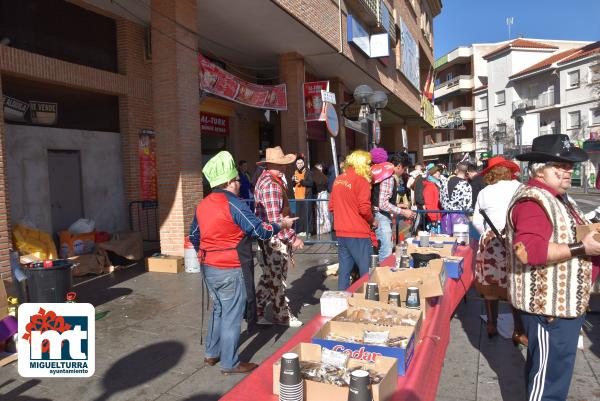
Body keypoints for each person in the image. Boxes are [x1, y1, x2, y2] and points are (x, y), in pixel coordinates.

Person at [506, 134, 600, 401]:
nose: (568, 170)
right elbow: (530, 252)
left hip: (561, 306)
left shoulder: (556, 196)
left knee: (552, 376)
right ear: (539, 168)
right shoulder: (533, 201)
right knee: (547, 387)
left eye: (570, 164)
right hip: (548, 309)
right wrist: (584, 248)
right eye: (559, 165)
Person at [189, 151, 296, 374]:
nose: (239, 183)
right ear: (228, 182)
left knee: (219, 309)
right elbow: (259, 229)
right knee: (231, 315)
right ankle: (230, 363)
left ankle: (212, 353)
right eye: (237, 180)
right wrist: (282, 224)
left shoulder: (203, 204)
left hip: (208, 266)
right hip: (229, 266)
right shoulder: (233, 204)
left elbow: (194, 236)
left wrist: (206, 252)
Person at [472, 156, 526, 345]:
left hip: (491, 241)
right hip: (515, 239)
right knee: (515, 284)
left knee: (491, 284)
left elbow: (476, 221)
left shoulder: (484, 192)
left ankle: (492, 324)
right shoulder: (520, 188)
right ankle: (519, 330)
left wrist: (486, 233)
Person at [254, 146, 305, 327]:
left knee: (269, 276)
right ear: (269, 164)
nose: (283, 168)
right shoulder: (271, 185)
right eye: (279, 165)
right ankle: (282, 315)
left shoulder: (266, 179)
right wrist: (293, 238)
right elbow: (275, 220)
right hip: (273, 238)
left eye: (283, 164)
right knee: (276, 278)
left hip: (266, 235)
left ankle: (255, 311)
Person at [329, 150, 376, 290]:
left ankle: (342, 302)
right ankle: (365, 301)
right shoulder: (361, 181)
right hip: (358, 232)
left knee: (344, 270)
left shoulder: (338, 179)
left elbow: (331, 206)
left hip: (341, 231)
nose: (370, 166)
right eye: (369, 163)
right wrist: (372, 220)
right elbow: (364, 209)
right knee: (365, 272)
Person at [371, 156, 416, 262]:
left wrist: (397, 206)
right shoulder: (389, 177)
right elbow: (382, 204)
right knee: (386, 251)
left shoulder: (382, 174)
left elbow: (380, 199)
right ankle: (383, 276)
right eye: (404, 169)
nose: (404, 172)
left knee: (382, 248)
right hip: (381, 216)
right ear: (399, 166)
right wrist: (403, 212)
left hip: (378, 214)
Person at [292, 155, 313, 237]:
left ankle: (308, 231)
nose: (299, 164)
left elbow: (310, 183)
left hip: (306, 196)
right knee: (299, 214)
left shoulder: (308, 171)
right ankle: (299, 231)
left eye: (301, 163)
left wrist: (301, 181)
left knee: (307, 214)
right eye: (298, 163)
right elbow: (294, 184)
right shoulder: (295, 172)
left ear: (303, 163)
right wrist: (293, 181)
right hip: (297, 196)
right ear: (296, 164)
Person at [422, 163, 442, 232]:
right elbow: (429, 205)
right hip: (435, 219)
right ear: (431, 175)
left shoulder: (436, 184)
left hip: (438, 217)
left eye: (438, 171)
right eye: (435, 172)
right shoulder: (429, 187)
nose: (438, 173)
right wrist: (433, 219)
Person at [312, 162, 331, 234]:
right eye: (319, 167)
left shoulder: (321, 176)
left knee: (322, 211)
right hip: (321, 194)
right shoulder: (322, 176)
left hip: (321, 194)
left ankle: (325, 228)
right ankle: (323, 228)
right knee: (321, 211)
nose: (321, 169)